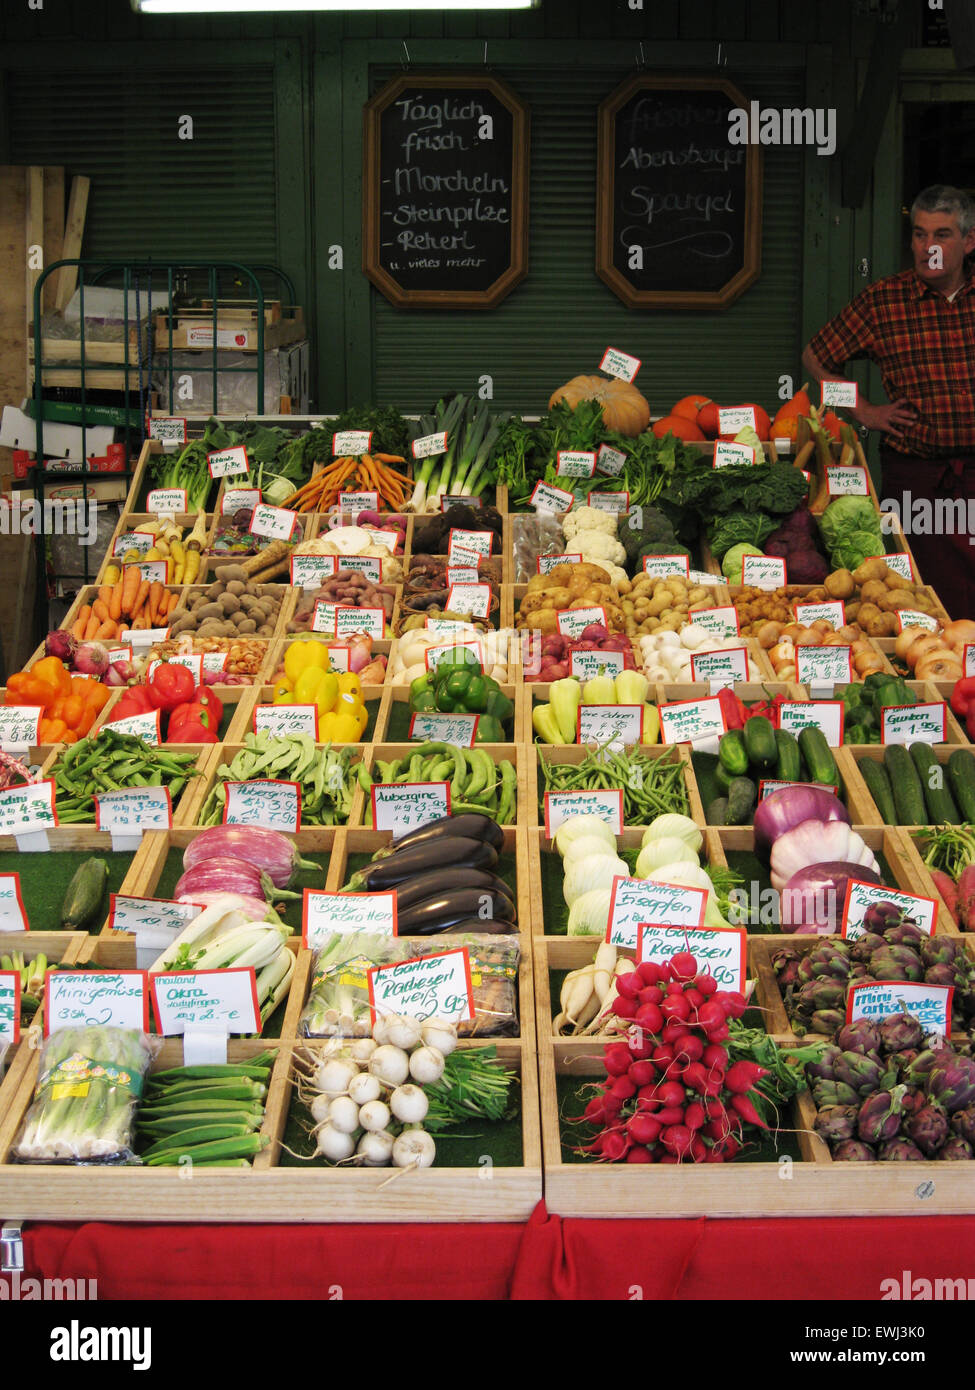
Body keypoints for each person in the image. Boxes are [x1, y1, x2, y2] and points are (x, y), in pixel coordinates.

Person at [801, 184, 975, 617]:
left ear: (970, 241)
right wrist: (863, 410)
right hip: (919, 480)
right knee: (925, 596)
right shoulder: (885, 301)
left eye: (942, 235)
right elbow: (816, 357)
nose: (928, 247)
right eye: (919, 235)